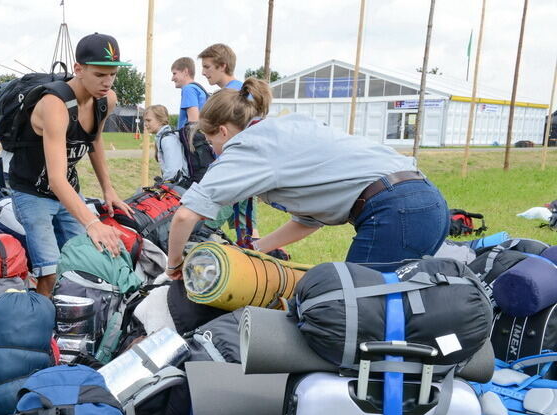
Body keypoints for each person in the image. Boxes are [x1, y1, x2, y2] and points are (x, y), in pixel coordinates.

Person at [166, 78, 449, 279]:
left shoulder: (247, 146)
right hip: (427, 203)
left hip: (396, 211)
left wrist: (174, 265)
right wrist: (254, 248)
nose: (213, 150)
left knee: (349, 308)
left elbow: (185, 216)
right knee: (394, 307)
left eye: (209, 140)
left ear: (223, 132)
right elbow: (308, 220)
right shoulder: (285, 128)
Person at [7, 32, 133, 297]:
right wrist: (92, 223)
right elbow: (55, 179)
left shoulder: (106, 100)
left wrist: (108, 188)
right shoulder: (55, 105)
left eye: (113, 74)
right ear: (78, 69)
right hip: (33, 190)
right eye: (100, 75)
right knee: (51, 272)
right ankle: (43, 331)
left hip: (68, 189)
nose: (107, 82)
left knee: (86, 260)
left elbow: (94, 141)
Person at [197, 43, 257, 240]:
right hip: (241, 168)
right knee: (246, 227)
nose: (203, 72)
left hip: (233, 170)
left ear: (222, 65)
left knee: (202, 222)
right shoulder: (238, 91)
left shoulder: (233, 95)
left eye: (207, 67)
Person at [144, 105, 187, 181]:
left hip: (179, 186)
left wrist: (165, 186)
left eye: (148, 120)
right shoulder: (163, 137)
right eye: (145, 121)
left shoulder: (168, 139)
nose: (145, 124)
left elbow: (173, 171)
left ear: (161, 120)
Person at [170, 57, 207, 129]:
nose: (172, 78)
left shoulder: (188, 89)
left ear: (185, 71)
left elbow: (193, 123)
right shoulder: (198, 89)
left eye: (174, 73)